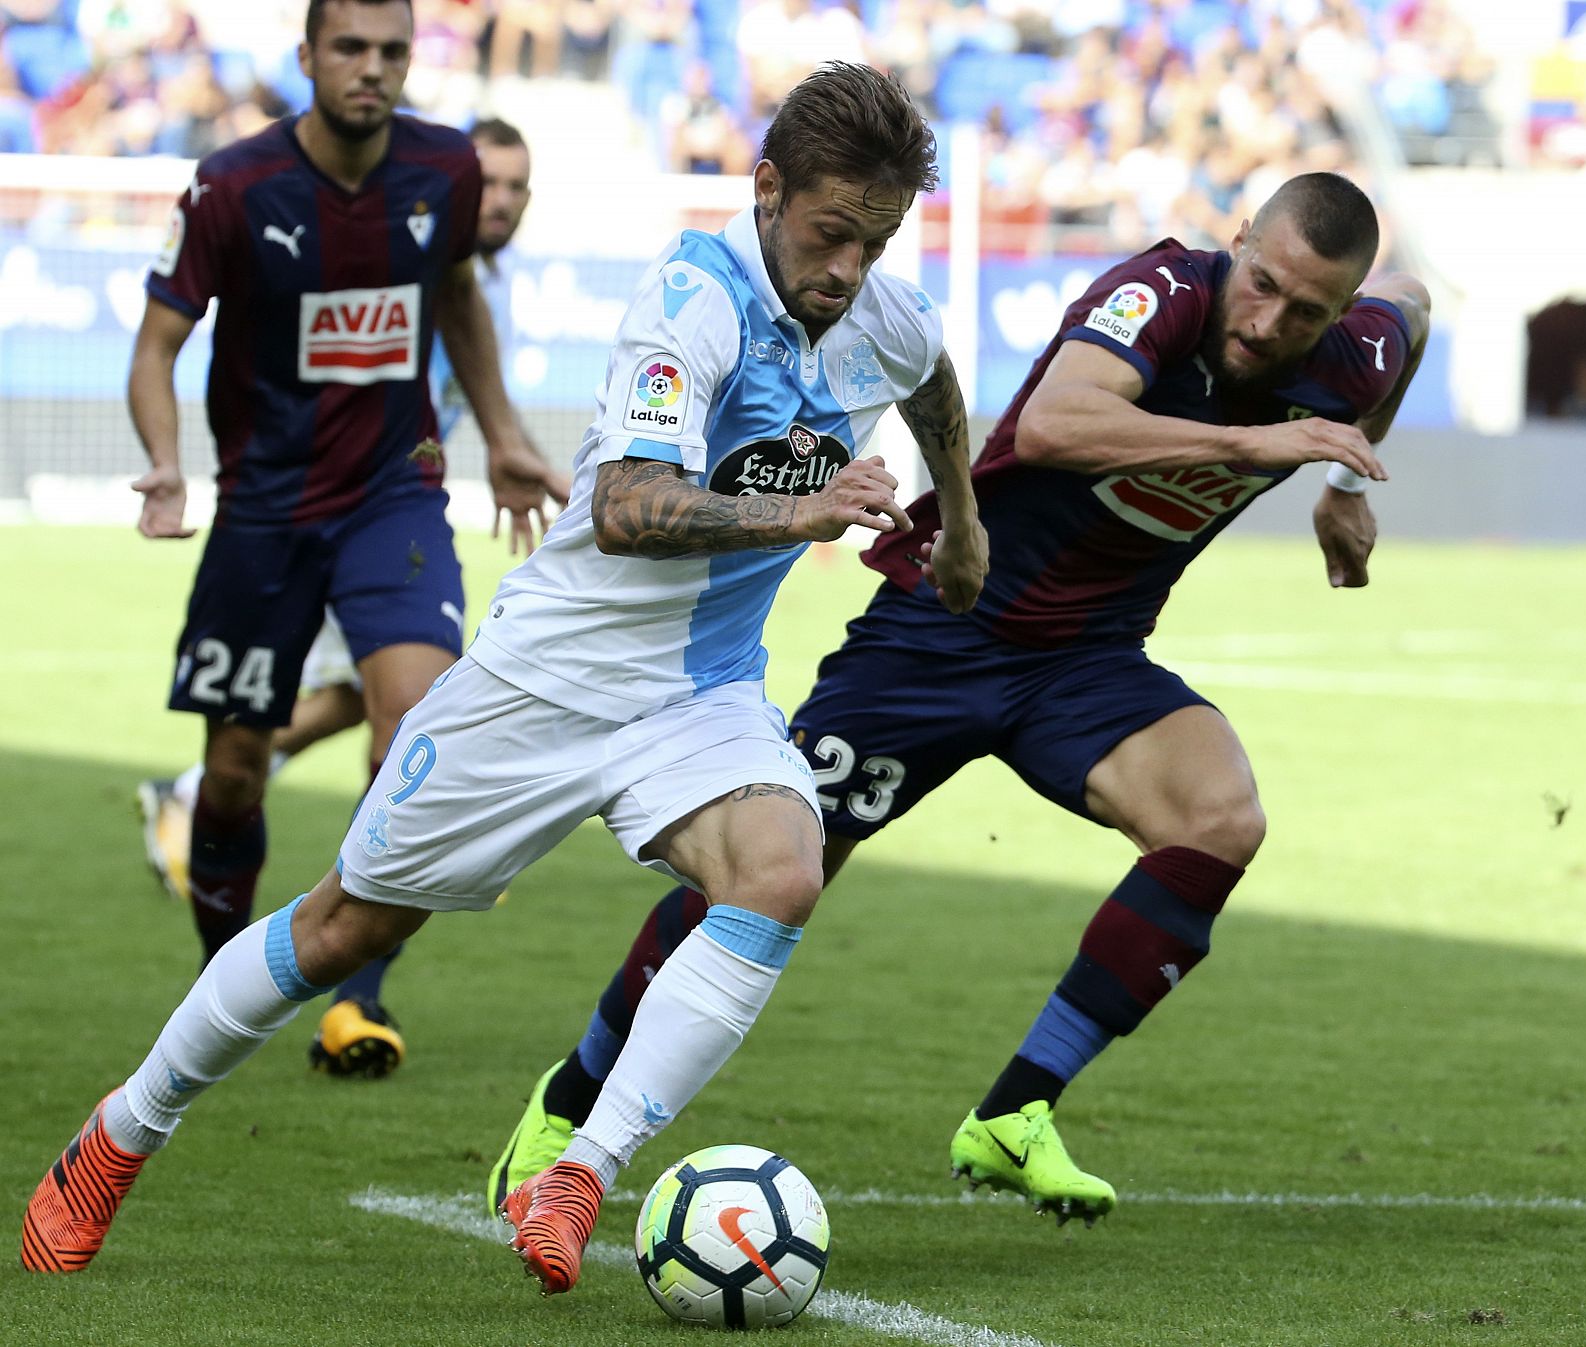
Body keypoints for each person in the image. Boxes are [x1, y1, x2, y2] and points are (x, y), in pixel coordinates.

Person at [21, 59, 988, 1290]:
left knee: (782, 869)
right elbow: (632, 507)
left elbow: (936, 386)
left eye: (878, 239)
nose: (848, 266)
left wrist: (961, 524)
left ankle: (579, 1175)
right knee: (340, 928)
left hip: (697, 692)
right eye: (830, 231)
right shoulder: (692, 296)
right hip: (543, 678)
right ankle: (122, 1132)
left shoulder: (885, 316)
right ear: (764, 189)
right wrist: (793, 521)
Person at [485, 170, 1432, 1228]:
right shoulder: (1159, 292)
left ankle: (1014, 1113)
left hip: (1088, 657)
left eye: (1308, 310)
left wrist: (1347, 487)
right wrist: (1258, 444)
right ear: (1237, 243)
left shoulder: (1358, 353)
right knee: (772, 868)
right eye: (1260, 283)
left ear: (1341, 314)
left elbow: (1414, 305)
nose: (1269, 321)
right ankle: (569, 1105)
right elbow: (1061, 425)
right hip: (941, 621)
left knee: (1218, 817)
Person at [116, 0, 561, 1002]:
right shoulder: (232, 185)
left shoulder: (442, 170)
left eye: (392, 52)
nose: (372, 69)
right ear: (308, 55)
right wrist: (166, 460)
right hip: (263, 512)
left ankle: (351, 985)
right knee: (232, 775)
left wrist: (501, 437)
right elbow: (156, 345)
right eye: (351, 49)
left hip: (392, 498)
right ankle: (221, 987)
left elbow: (455, 297)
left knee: (413, 740)